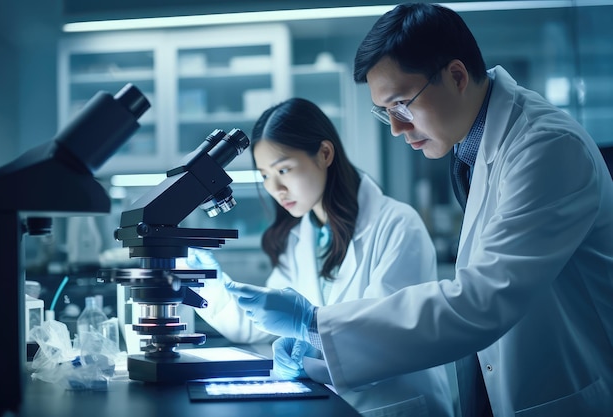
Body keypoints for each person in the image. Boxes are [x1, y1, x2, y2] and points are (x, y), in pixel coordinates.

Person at [225, 3, 613, 417]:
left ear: (457, 76)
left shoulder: (546, 148)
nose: (395, 127)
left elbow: (482, 300)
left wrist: (315, 324)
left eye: (401, 104)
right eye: (384, 112)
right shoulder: (472, 151)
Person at [189, 97, 455, 417]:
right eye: (265, 176)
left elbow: (392, 338)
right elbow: (256, 325)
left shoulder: (398, 225)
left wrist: (311, 331)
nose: (276, 189)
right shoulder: (300, 238)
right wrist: (210, 284)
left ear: (324, 154)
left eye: (283, 169)